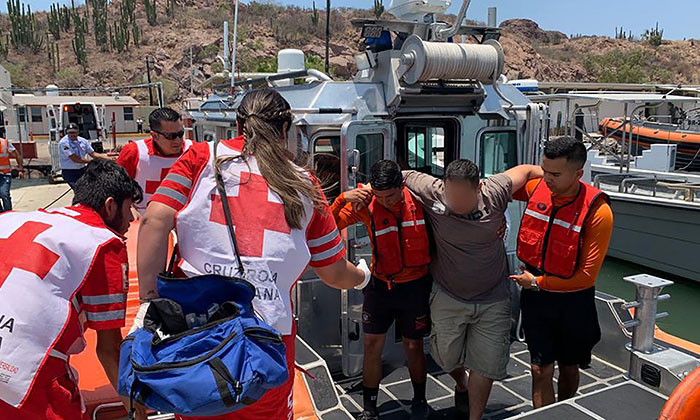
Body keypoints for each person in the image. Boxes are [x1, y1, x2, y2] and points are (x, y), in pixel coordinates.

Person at [136, 88, 369, 420]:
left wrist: (149, 298)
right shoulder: (304, 183)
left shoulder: (201, 157)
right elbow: (334, 273)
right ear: (286, 129)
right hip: (267, 341)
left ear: (238, 123)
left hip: (198, 331)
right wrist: (363, 277)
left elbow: (154, 219)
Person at [0, 159, 146, 420]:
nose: (132, 220)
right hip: (22, 378)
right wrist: (137, 413)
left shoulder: (10, 219)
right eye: (129, 209)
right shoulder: (103, 244)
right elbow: (109, 351)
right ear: (110, 206)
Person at [402, 160, 543, 420]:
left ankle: (474, 417)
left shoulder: (495, 191)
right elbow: (401, 175)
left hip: (493, 296)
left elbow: (527, 170)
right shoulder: (433, 191)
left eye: (462, 196)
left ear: (478, 188)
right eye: (451, 194)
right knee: (444, 356)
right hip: (448, 293)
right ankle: (462, 382)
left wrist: (557, 180)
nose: (455, 202)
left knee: (485, 365)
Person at [510, 136, 613, 408]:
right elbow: (511, 182)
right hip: (537, 299)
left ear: (578, 173)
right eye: (544, 170)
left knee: (569, 367)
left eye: (555, 174)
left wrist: (537, 283)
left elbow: (586, 277)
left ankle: (564, 411)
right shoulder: (537, 188)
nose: (547, 178)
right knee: (539, 369)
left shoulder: (598, 212)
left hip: (573, 301)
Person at [332, 160, 431, 420]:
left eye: (391, 196)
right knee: (371, 345)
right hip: (380, 287)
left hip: (414, 287)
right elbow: (329, 226)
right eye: (379, 196)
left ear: (402, 186)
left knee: (413, 345)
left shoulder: (421, 200)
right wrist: (343, 198)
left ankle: (420, 400)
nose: (385, 201)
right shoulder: (366, 205)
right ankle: (370, 407)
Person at [117, 108, 192, 214]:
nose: (178, 140)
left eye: (180, 134)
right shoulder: (134, 152)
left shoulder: (193, 151)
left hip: (182, 217)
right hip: (144, 218)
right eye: (171, 136)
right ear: (154, 136)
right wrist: (130, 209)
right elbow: (117, 186)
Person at [58, 123, 114, 189]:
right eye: (70, 132)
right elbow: (75, 159)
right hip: (69, 171)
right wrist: (92, 162)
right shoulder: (64, 143)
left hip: (81, 170)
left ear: (78, 132)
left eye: (74, 132)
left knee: (87, 189)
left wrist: (109, 159)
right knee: (78, 189)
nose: (72, 134)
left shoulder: (83, 141)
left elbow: (93, 154)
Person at [0, 136, 24, 213]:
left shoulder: (4, 143)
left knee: (4, 194)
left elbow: (17, 155)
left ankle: (9, 214)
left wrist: (20, 169)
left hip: (4, 174)